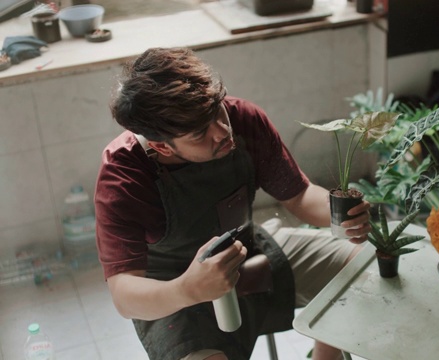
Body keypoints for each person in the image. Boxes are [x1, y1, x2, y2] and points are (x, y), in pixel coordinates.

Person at [94, 47, 371, 360]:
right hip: (173, 288)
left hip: (247, 251)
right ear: (162, 146)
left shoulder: (244, 119)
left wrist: (342, 214)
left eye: (218, 112)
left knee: (365, 265)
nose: (223, 132)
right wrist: (187, 289)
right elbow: (124, 295)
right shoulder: (123, 177)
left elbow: (298, 195)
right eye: (200, 134)